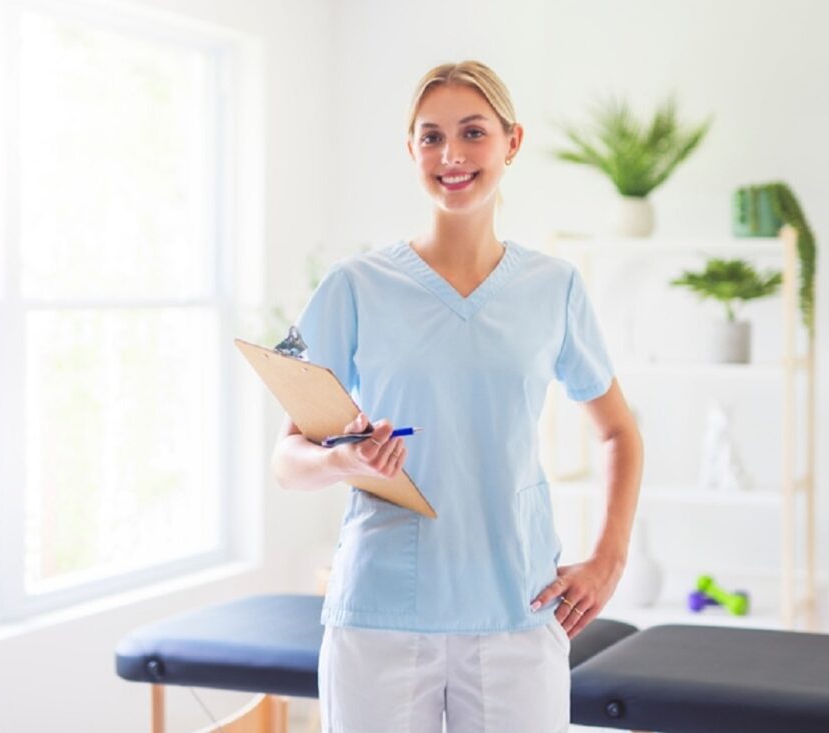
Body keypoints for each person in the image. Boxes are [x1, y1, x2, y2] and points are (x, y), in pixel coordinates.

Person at [272, 60, 643, 733]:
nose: (452, 155)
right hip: (380, 611)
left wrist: (608, 560)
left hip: (518, 607)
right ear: (410, 148)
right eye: (431, 137)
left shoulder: (554, 286)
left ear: (512, 141)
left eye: (472, 133)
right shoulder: (354, 284)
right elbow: (286, 459)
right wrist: (344, 461)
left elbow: (619, 431)